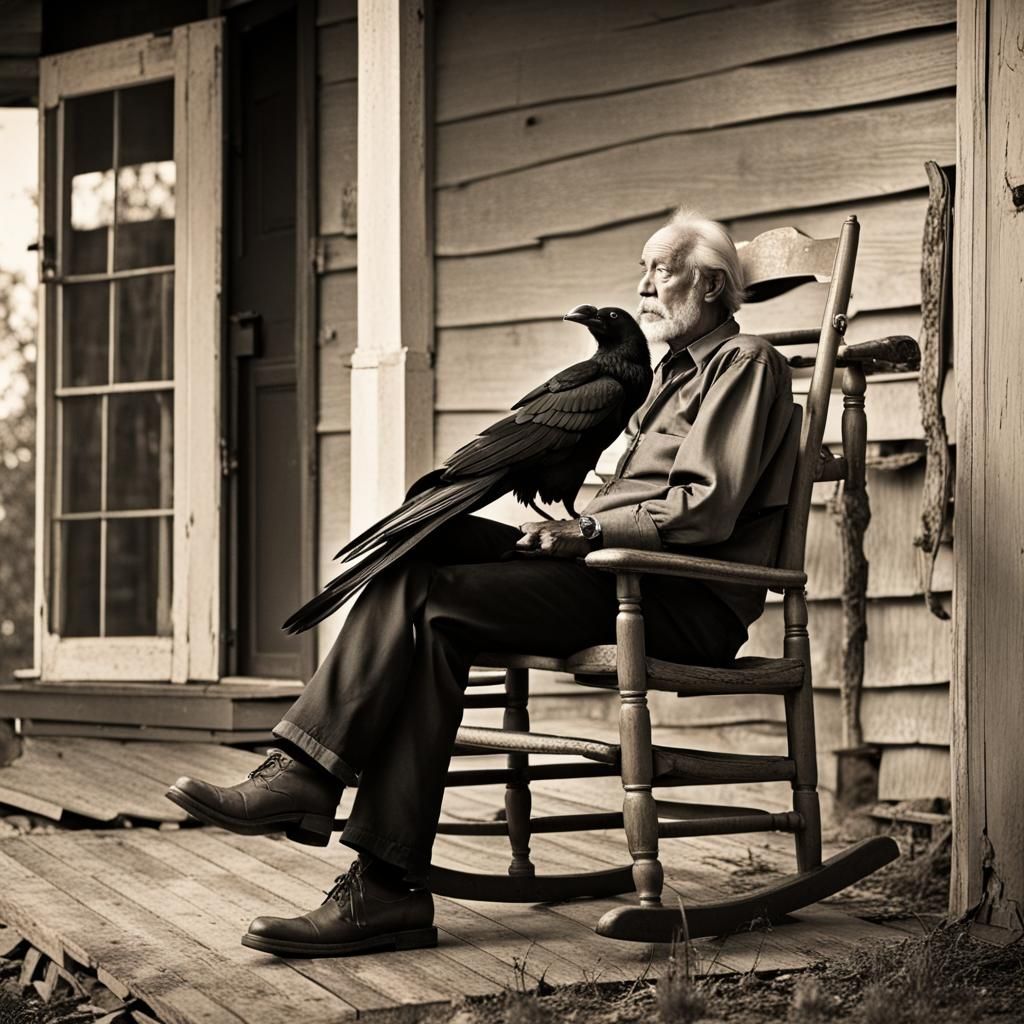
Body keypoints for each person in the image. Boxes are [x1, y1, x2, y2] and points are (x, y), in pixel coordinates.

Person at [167, 208, 798, 959]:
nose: (642, 287)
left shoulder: (746, 364)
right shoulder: (667, 380)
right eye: (644, 270)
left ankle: (360, 853)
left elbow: (706, 504)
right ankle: (331, 811)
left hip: (673, 594)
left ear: (711, 282)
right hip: (605, 572)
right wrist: (575, 531)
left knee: (438, 605)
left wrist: (588, 529)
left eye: (658, 270)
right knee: (425, 547)